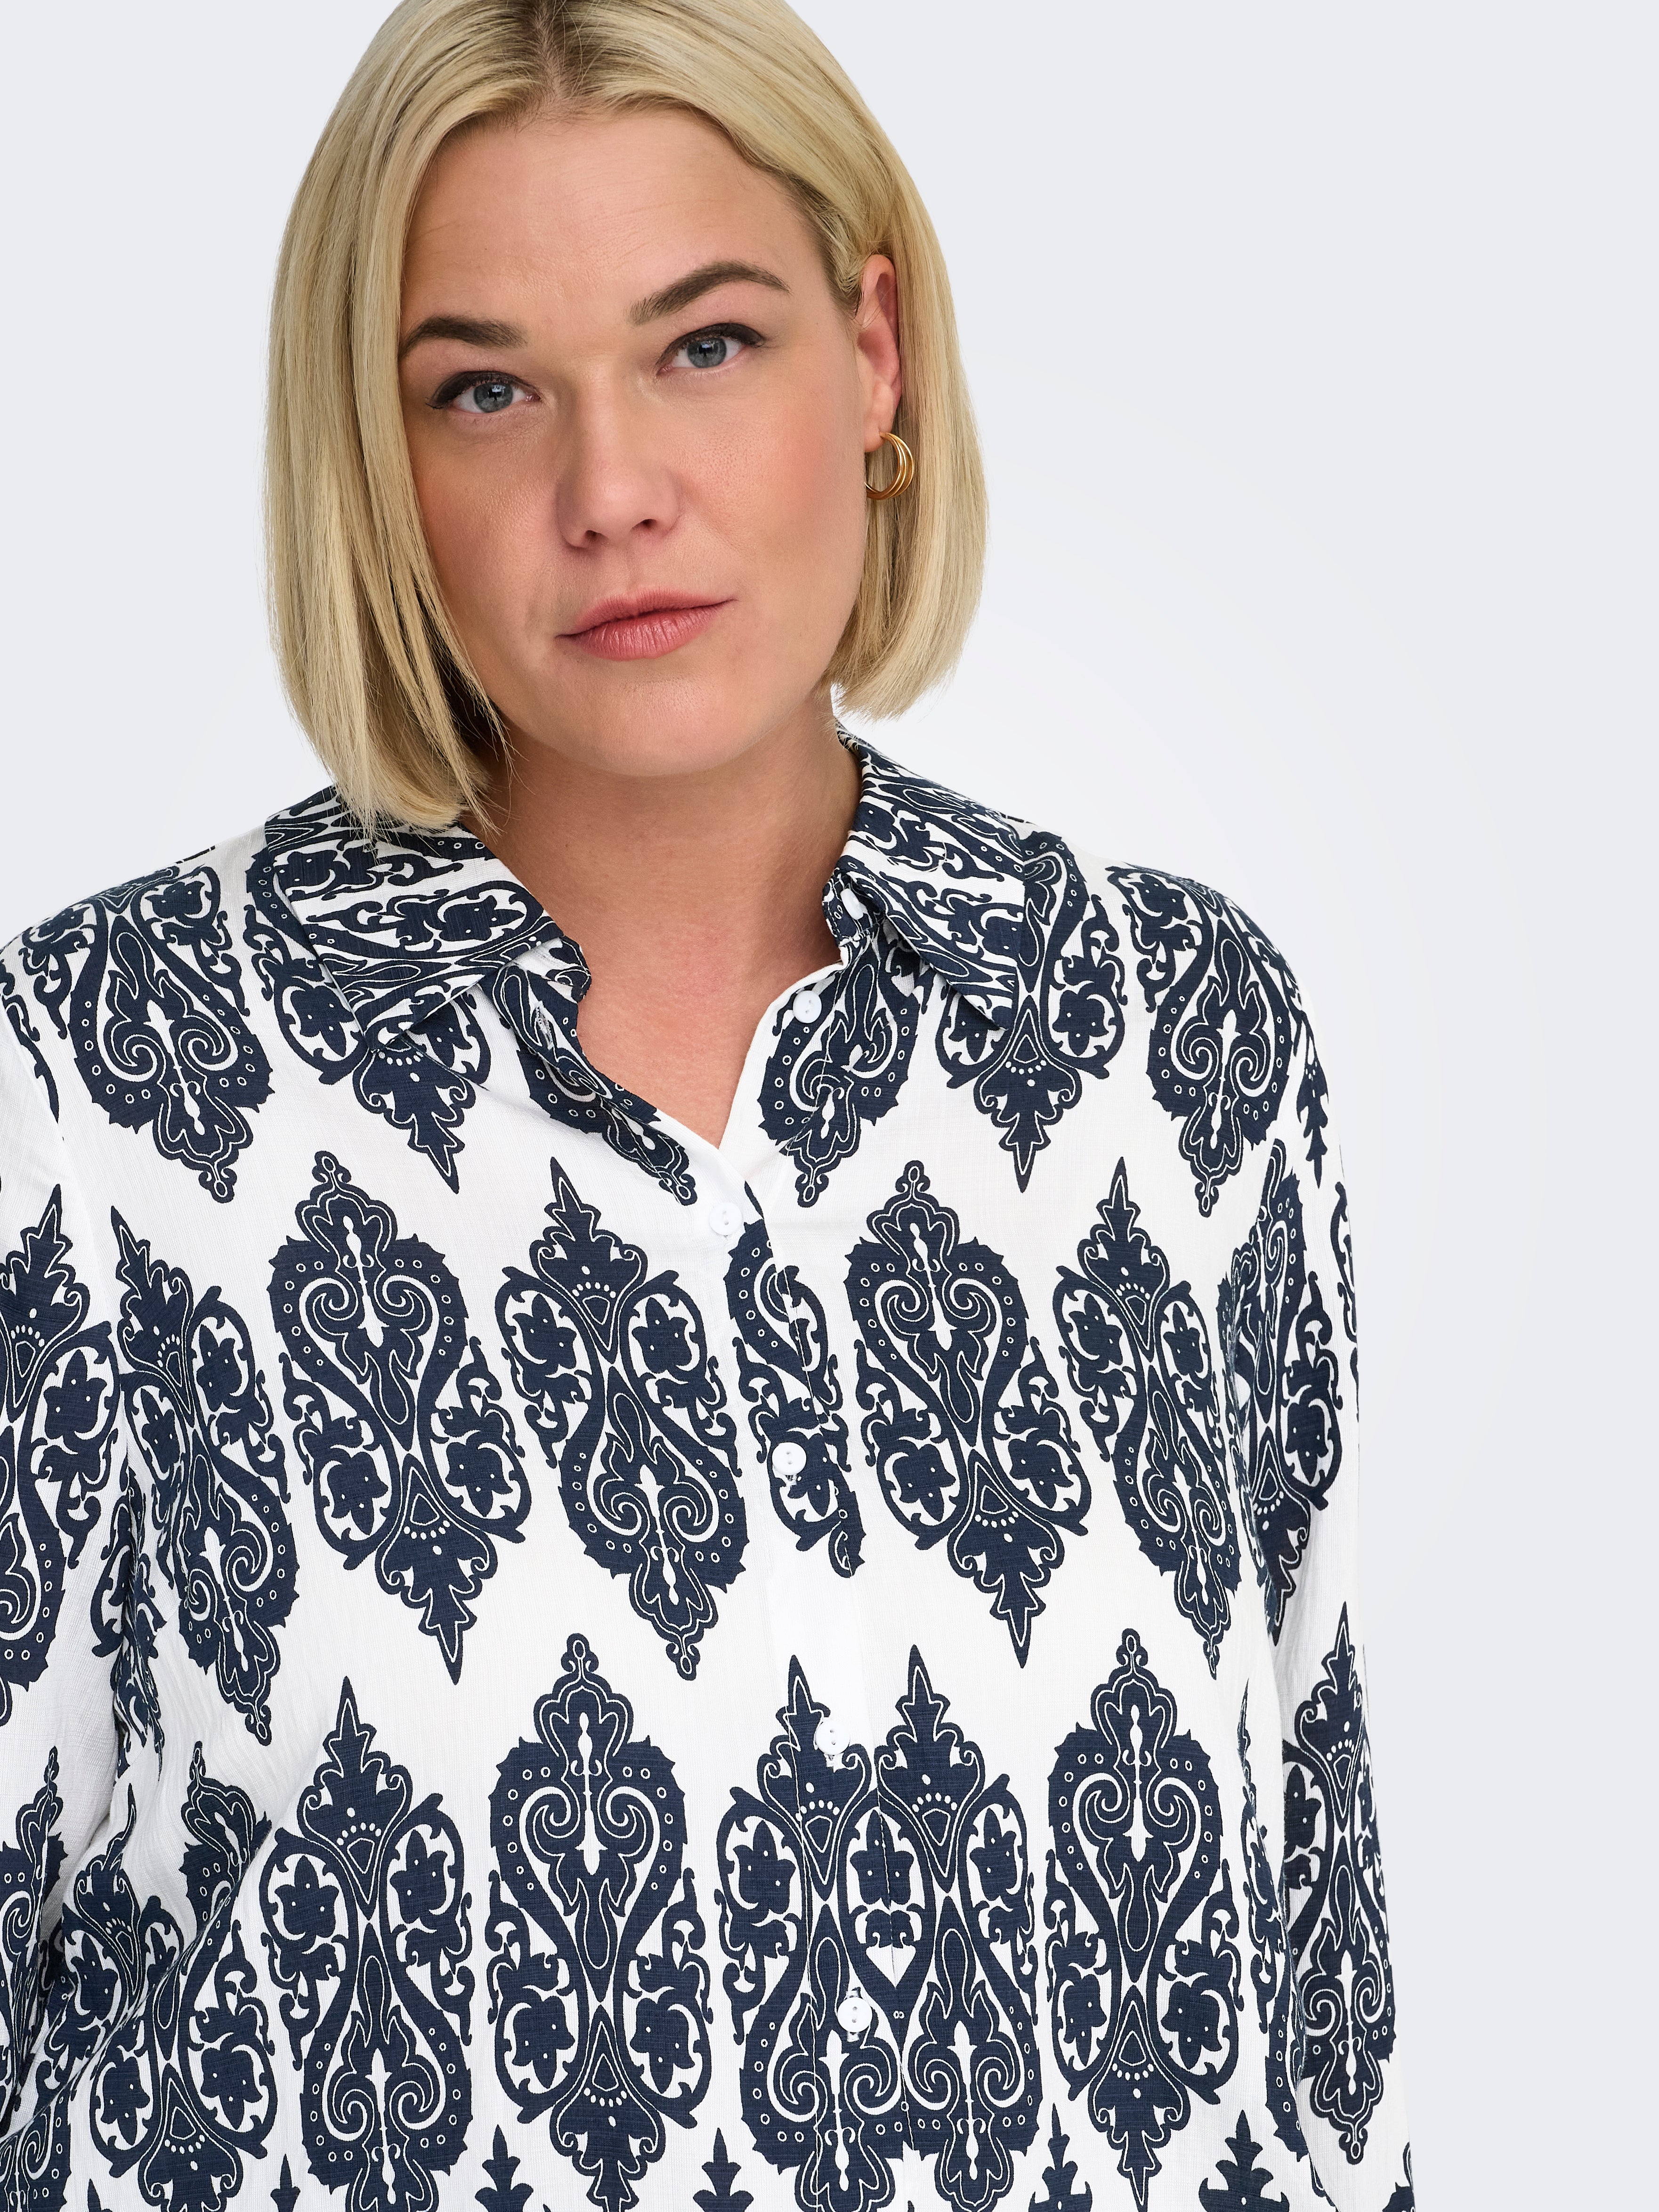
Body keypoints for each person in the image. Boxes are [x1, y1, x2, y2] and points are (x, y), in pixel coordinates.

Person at [0, 3, 1412, 2207]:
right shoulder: (97, 1084)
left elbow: (1313, 1976)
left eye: (705, 344)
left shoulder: (1171, 1034)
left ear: (873, 360)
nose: (611, 490)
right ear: (375, 461)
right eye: (485, 389)